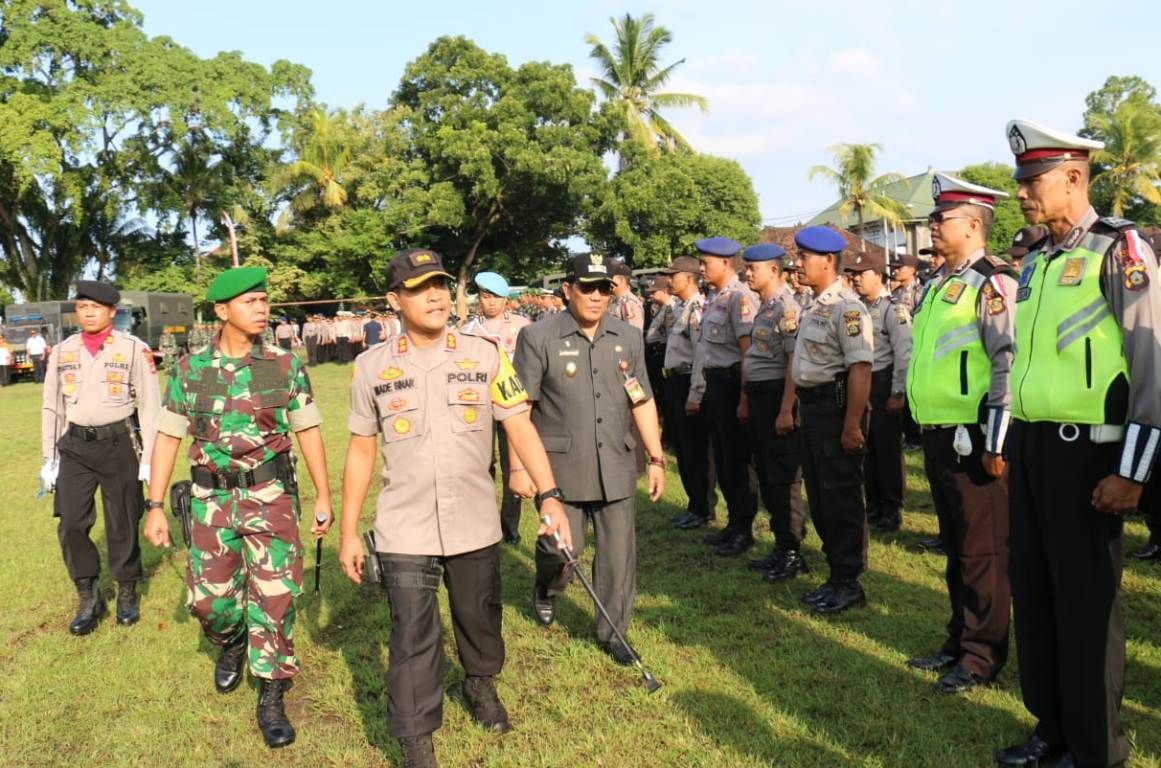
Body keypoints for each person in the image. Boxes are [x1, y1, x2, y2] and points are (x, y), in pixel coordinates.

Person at [336, 249, 569, 768]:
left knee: (479, 618)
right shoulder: (370, 367)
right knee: (412, 636)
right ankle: (417, 739)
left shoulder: (485, 355)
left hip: (474, 521)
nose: (437, 295)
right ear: (394, 300)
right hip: (404, 529)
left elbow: (519, 425)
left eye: (441, 284)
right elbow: (359, 449)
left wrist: (550, 495)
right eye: (420, 288)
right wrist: (349, 531)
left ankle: (480, 683)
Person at [995, 119, 1161, 768]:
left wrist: (1133, 473)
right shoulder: (1036, 260)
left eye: (1031, 181)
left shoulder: (1118, 253)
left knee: (1086, 606)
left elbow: (1151, 372)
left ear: (1072, 176)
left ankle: (1095, 748)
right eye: (1018, 182)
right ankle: (1051, 729)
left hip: (1089, 457)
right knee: (1034, 597)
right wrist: (1010, 442)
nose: (1020, 194)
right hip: (1035, 450)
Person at [142, 266, 334, 749]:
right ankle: (229, 642)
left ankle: (271, 690)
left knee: (275, 596)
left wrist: (324, 494)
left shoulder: (283, 364)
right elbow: (167, 436)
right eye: (251, 301)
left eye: (265, 300)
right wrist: (156, 504)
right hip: (209, 501)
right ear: (222, 310)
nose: (263, 308)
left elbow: (307, 428)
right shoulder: (190, 370)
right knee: (210, 602)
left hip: (270, 497)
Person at [515, 252, 665, 666]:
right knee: (563, 549)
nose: (597, 296)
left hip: (616, 462)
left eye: (605, 288)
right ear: (568, 290)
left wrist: (655, 457)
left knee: (619, 554)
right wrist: (517, 468)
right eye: (588, 288)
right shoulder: (538, 337)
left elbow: (642, 399)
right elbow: (518, 409)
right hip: (560, 467)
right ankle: (547, 586)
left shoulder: (628, 338)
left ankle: (613, 631)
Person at [903, 173, 1016, 697]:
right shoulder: (940, 283)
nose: (933, 225)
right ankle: (959, 638)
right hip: (938, 433)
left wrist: (996, 440)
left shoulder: (993, 282)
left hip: (974, 436)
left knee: (982, 550)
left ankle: (981, 654)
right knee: (957, 546)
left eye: (940, 218)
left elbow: (1005, 365)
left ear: (973, 224)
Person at [40, 280, 160, 634]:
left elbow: (150, 406)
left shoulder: (134, 349)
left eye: (95, 307)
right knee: (72, 522)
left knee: (122, 519)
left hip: (118, 443)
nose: (88, 312)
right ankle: (88, 593)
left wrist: (150, 458)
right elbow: (52, 405)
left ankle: (125, 591)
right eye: (82, 307)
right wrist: (50, 457)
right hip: (74, 446)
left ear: (111, 311)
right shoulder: (62, 352)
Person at [790, 226, 874, 615]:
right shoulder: (814, 305)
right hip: (812, 408)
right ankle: (835, 572)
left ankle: (849, 580)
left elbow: (860, 369)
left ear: (827, 261)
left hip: (836, 408)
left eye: (804, 257)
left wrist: (852, 424)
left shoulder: (848, 308)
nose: (798, 263)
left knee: (840, 496)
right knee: (821, 498)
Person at [738, 244, 808, 582]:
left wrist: (785, 409)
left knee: (783, 477)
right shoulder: (764, 307)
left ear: (774, 271)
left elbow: (794, 361)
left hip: (778, 397)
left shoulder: (786, 307)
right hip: (761, 396)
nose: (748, 273)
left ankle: (794, 550)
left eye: (754, 268)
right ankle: (782, 545)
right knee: (768, 474)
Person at [688, 237, 761, 555]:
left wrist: (744, 398)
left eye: (706, 263)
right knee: (723, 458)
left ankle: (744, 528)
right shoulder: (715, 298)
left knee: (737, 459)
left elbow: (748, 353)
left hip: (734, 385)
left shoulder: (739, 298)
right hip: (716, 385)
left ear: (726, 263)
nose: (701, 268)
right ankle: (733, 524)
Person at [461, 270, 532, 544]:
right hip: (479, 406)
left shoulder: (523, 325)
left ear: (506, 300)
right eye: (485, 296)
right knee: (481, 464)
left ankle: (509, 526)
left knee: (512, 467)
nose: (490, 302)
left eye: (496, 297)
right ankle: (484, 521)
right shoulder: (468, 330)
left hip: (514, 405)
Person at [846, 249, 912, 533]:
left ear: (879, 276)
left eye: (863, 274)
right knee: (865, 448)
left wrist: (898, 391)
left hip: (883, 382)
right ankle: (872, 504)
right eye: (854, 275)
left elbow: (904, 352)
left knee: (886, 450)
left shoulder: (892, 309)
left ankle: (891, 507)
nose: (857, 279)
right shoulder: (855, 308)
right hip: (861, 384)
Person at [662, 256, 718, 530]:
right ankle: (693, 504)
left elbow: (701, 356)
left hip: (688, 382)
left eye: (673, 275)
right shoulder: (681, 307)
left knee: (695, 450)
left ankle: (703, 507)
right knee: (683, 449)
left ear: (688, 278)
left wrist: (695, 394)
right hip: (675, 382)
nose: (669, 280)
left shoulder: (697, 308)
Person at [644, 275, 678, 436]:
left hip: (663, 354)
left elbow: (672, 336)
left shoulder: (671, 307)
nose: (650, 295)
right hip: (656, 354)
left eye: (654, 292)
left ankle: (669, 433)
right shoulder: (662, 307)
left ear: (664, 291)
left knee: (667, 399)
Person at [607, 261, 645, 332]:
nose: (607, 281)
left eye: (610, 278)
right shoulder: (615, 299)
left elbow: (633, 334)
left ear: (621, 280)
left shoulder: (630, 302)